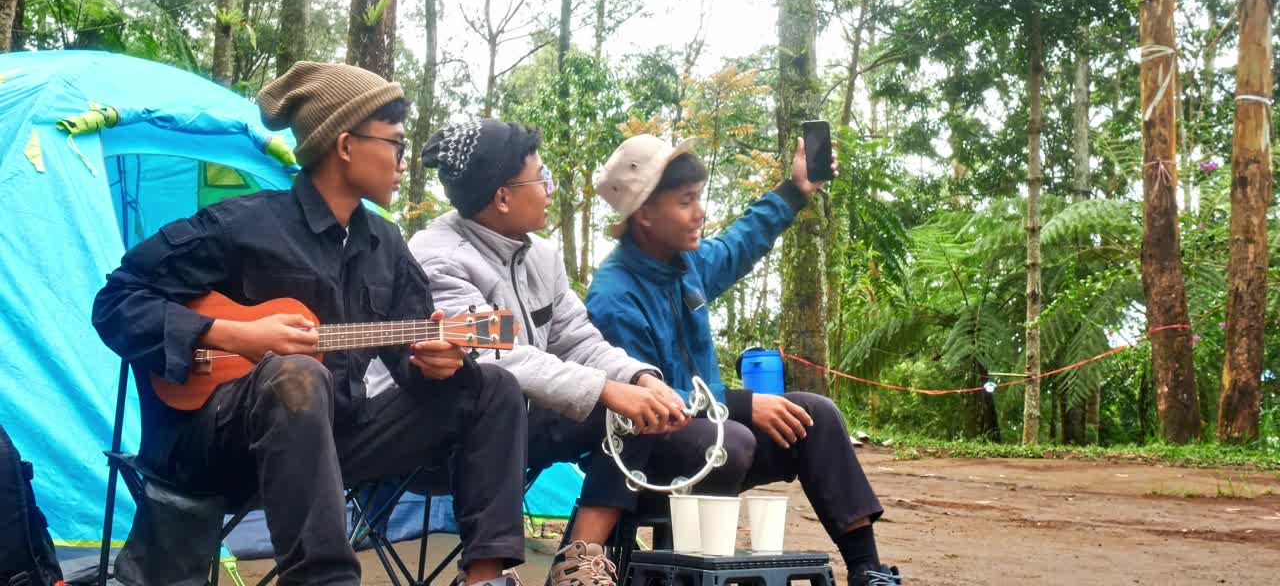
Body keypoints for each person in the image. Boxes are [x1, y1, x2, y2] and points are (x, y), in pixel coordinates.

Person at [92, 64, 528, 586]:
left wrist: (439, 364)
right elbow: (116, 302)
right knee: (296, 375)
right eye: (395, 143)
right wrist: (233, 335)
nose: (403, 161)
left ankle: (485, 578)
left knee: (492, 387)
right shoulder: (240, 225)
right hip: (215, 452)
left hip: (335, 444)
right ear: (345, 145)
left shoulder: (386, 247)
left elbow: (411, 359)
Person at [410, 120, 742, 586]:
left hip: (530, 421)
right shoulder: (438, 257)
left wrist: (640, 379)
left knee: (636, 405)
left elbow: (579, 340)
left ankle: (580, 560)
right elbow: (499, 358)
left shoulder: (542, 256)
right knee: (554, 390)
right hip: (457, 431)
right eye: (541, 178)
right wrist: (606, 389)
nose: (550, 189)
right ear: (503, 197)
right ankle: (488, 574)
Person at [586, 134, 902, 586]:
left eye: (700, 198)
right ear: (645, 214)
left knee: (817, 414)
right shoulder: (615, 294)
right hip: (649, 456)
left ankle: (866, 567)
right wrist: (741, 404)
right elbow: (646, 399)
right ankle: (685, 570)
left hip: (715, 435)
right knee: (732, 440)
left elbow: (741, 241)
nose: (701, 213)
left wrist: (795, 189)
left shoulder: (686, 264)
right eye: (686, 201)